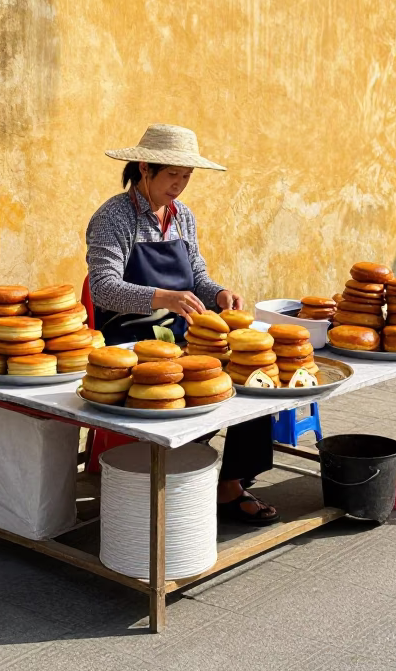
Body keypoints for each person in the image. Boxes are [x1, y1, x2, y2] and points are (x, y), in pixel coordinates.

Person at [86, 123, 278, 525]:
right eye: (173, 174)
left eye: (186, 177)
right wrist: (162, 297)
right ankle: (177, 474)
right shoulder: (113, 217)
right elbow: (103, 289)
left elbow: (198, 280)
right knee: (188, 387)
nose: (180, 184)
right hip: (130, 339)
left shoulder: (183, 217)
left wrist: (220, 294)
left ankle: (231, 481)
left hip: (181, 334)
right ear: (144, 168)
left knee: (253, 375)